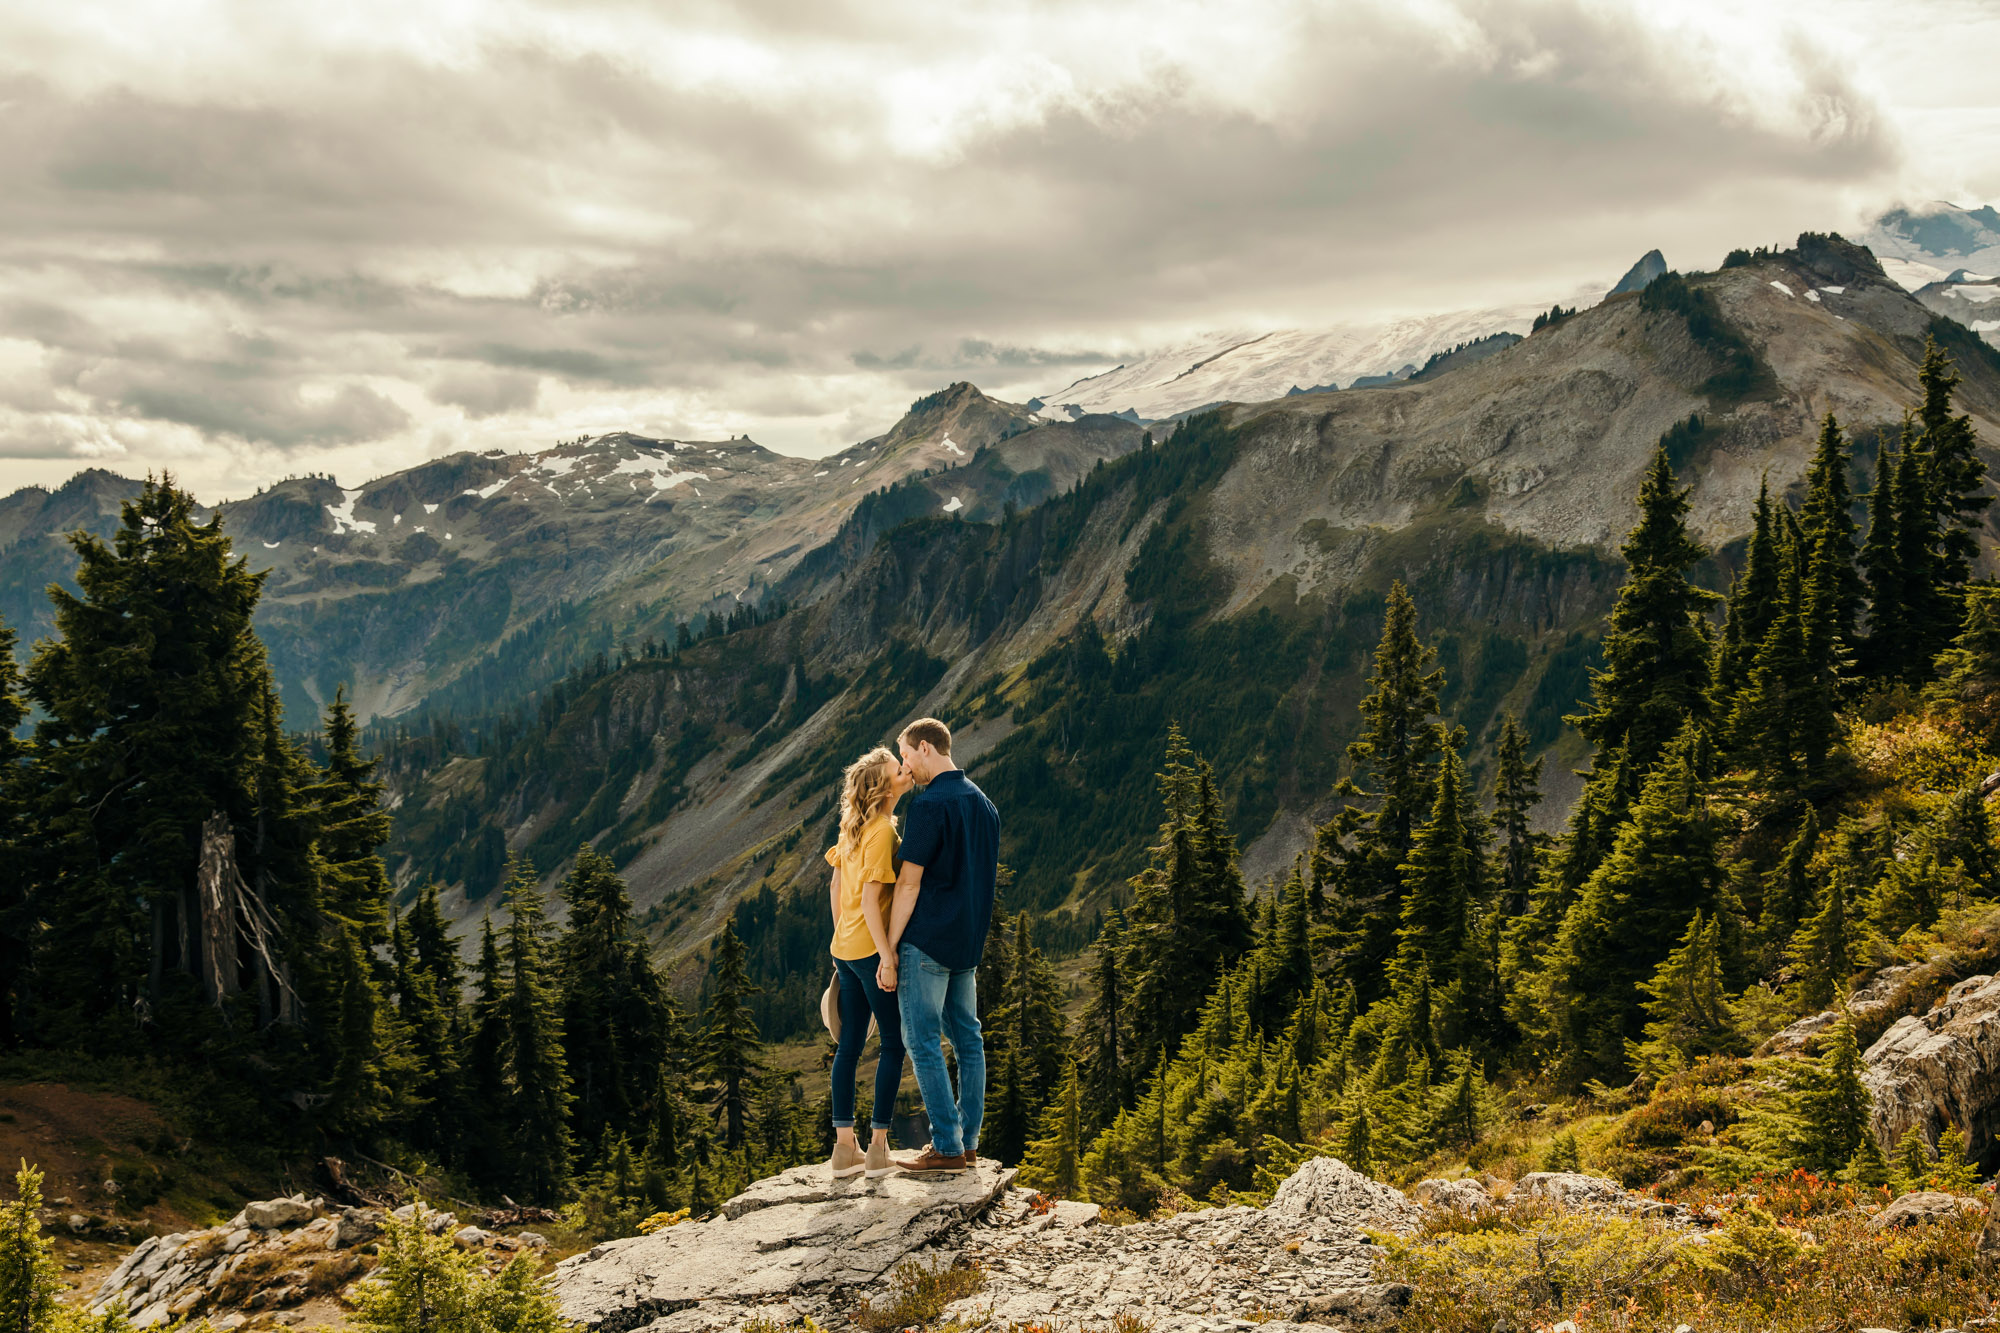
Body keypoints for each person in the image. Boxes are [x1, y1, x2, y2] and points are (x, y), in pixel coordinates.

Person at [879, 717, 999, 1173]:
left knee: (922, 1040)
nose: (907, 769)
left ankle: (947, 1147)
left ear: (925, 748)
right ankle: (967, 1143)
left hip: (926, 943)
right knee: (969, 1040)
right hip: (966, 944)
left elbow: (908, 884)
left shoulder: (929, 806)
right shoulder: (984, 804)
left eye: (907, 757)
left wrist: (889, 948)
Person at [824, 746, 914, 1179]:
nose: (906, 770)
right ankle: (878, 1148)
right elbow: (868, 898)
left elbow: (836, 889)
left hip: (844, 949)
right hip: (867, 951)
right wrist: (887, 957)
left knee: (850, 1046)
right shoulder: (881, 831)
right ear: (883, 786)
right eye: (898, 769)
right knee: (893, 1044)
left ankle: (845, 1150)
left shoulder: (850, 829)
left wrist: (842, 935)